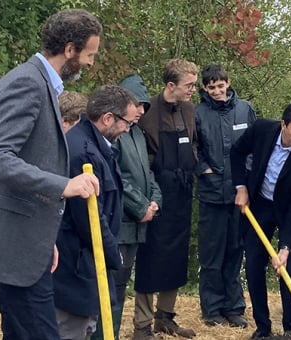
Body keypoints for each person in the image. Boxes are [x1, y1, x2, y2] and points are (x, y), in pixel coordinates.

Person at [0, 9, 102, 339]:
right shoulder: (27, 82)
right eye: (90, 54)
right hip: (13, 247)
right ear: (70, 49)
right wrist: (64, 185)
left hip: (26, 241)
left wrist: (41, 235)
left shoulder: (40, 84)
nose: (91, 63)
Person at [53, 85, 139, 339]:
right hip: (76, 267)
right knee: (72, 332)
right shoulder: (82, 153)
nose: (127, 129)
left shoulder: (95, 146)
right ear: (108, 118)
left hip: (88, 264)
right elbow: (89, 219)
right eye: (127, 123)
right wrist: (115, 256)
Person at [231, 102, 291, 338]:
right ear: (283, 124)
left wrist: (285, 247)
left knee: (290, 269)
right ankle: (263, 328)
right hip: (260, 205)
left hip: (289, 210)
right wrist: (241, 187)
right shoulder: (261, 129)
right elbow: (237, 152)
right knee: (253, 264)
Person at [91, 74, 163, 340]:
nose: (142, 110)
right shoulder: (114, 137)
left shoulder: (139, 135)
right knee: (108, 290)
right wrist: (141, 206)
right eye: (138, 104)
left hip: (136, 227)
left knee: (119, 289)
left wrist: (155, 201)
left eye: (145, 105)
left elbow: (148, 173)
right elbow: (117, 179)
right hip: (119, 224)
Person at [132, 59, 199, 339]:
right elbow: (138, 153)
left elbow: (194, 143)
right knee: (151, 258)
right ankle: (142, 324)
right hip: (156, 191)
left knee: (176, 256)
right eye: (189, 85)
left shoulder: (189, 109)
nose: (193, 90)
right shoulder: (147, 110)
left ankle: (165, 317)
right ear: (171, 85)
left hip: (182, 193)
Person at [195, 64, 255, 328]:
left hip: (239, 194)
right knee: (211, 255)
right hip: (211, 194)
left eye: (221, 86)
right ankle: (211, 309)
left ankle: (234, 307)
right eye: (211, 87)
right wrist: (203, 168)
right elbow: (193, 148)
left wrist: (249, 177)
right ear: (204, 89)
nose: (217, 91)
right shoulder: (197, 113)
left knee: (235, 251)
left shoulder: (245, 109)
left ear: (228, 83)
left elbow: (255, 144)